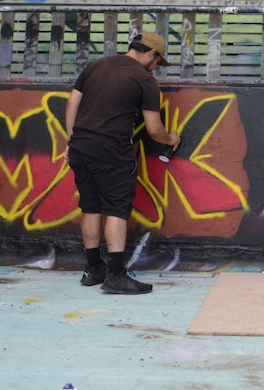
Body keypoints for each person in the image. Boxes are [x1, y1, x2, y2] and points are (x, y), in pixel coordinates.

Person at [65, 32, 180, 295]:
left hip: (80, 147)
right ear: (151, 54)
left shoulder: (97, 65)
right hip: (112, 151)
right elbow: (154, 129)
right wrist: (170, 138)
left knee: (90, 206)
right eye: (157, 62)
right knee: (116, 210)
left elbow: (72, 102)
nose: (155, 68)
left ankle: (93, 269)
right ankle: (115, 275)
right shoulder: (144, 80)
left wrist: (71, 139)